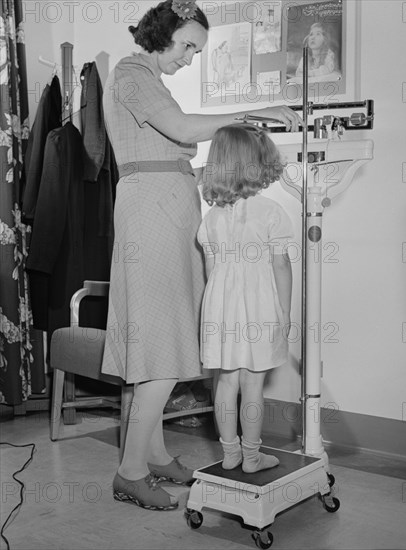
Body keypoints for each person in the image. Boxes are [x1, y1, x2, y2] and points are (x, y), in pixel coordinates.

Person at [101, 0, 302, 512]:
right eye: (187, 45)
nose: (189, 57)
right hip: (153, 210)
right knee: (160, 340)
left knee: (167, 336)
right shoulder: (130, 71)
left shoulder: (150, 77)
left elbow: (175, 143)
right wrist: (254, 111)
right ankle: (130, 472)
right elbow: (186, 131)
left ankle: (157, 454)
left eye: (196, 49)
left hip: (169, 203)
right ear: (162, 32)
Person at [197, 124, 293, 474]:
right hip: (259, 305)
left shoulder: (211, 218)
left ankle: (230, 452)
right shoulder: (270, 212)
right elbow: (281, 265)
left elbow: (211, 269)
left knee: (226, 380)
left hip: (221, 307)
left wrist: (219, 306)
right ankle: (252, 456)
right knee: (253, 383)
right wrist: (284, 312)